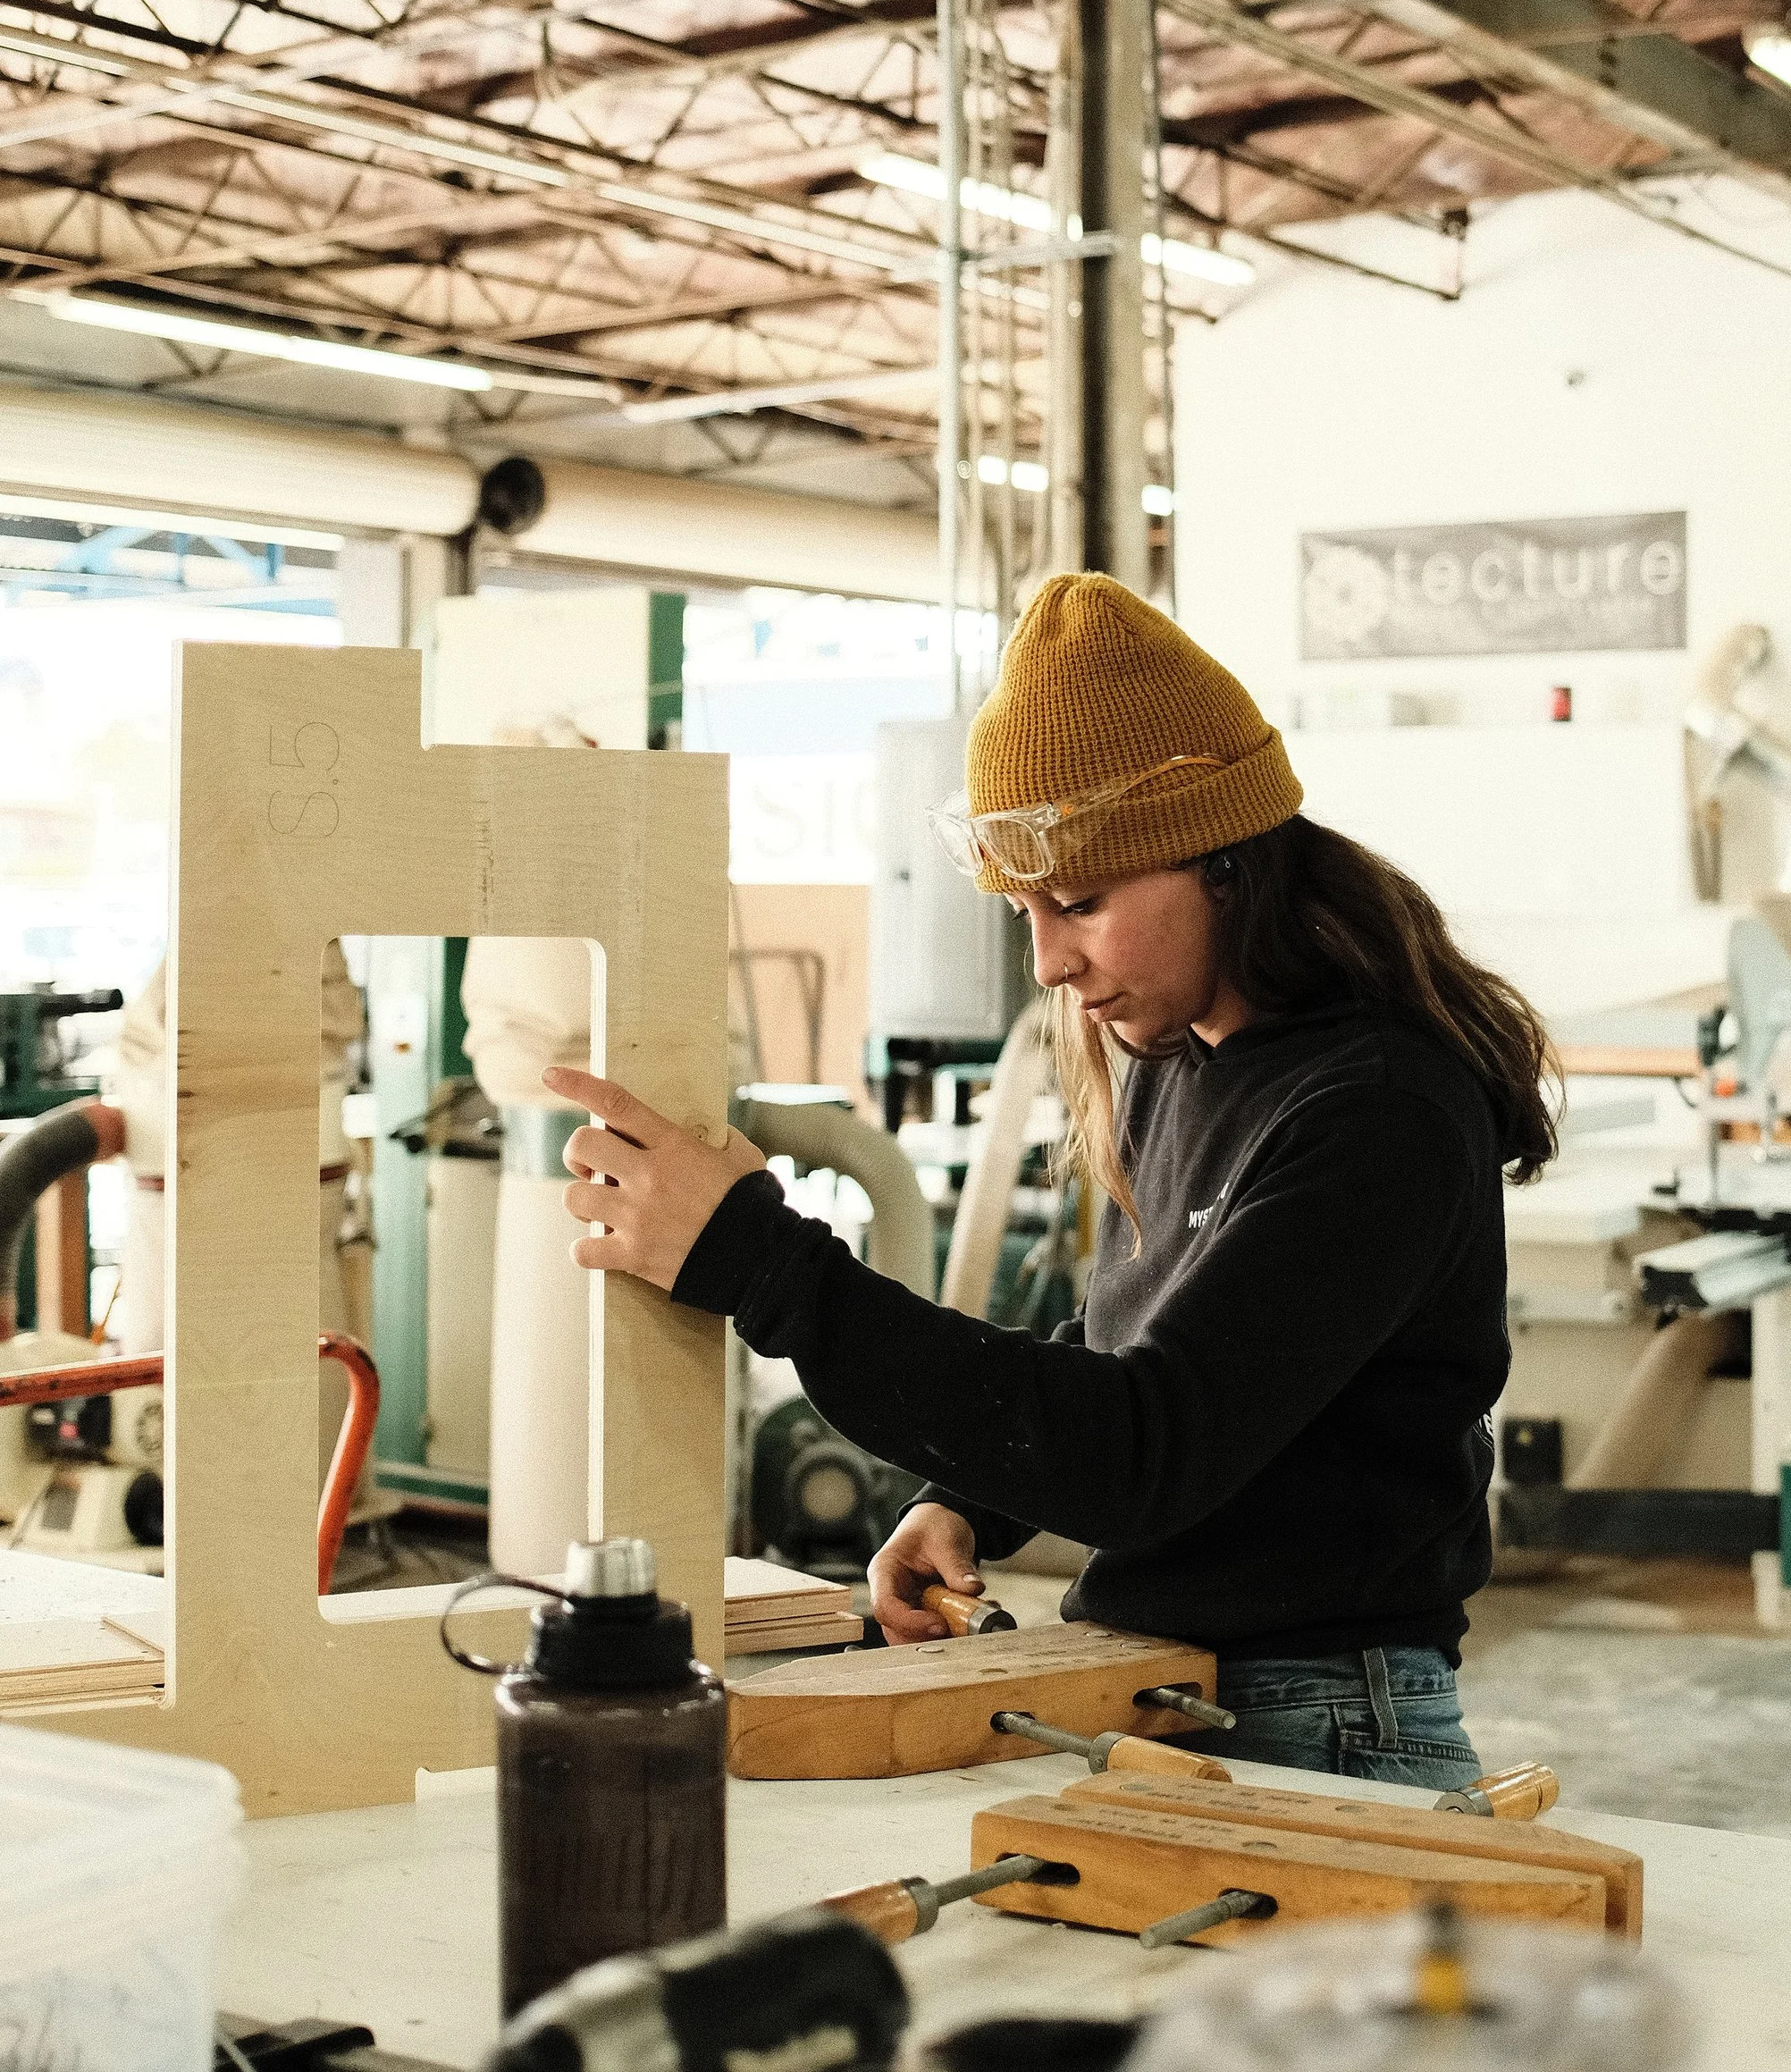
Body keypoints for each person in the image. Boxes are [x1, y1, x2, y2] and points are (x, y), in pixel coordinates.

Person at [548, 573, 1557, 1787]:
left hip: (1320, 1717)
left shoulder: (1377, 1110)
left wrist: (767, 1266)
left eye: (1080, 903)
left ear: (1226, 862)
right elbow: (1127, 1340)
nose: (1052, 961)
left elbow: (1149, 1447)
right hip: (1160, 1680)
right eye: (1027, 911)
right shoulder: (1179, 1060)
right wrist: (974, 1501)